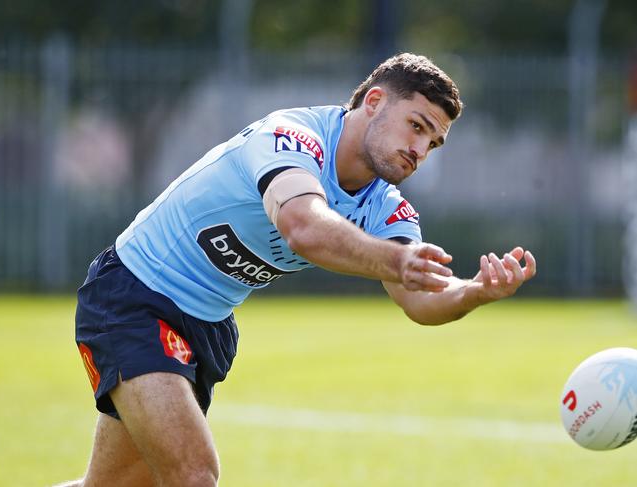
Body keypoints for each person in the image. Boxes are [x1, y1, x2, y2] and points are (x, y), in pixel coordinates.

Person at [58, 52, 536, 487]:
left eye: (433, 142)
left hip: (206, 326)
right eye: (416, 125)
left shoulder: (387, 208)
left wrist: (475, 292)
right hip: (135, 296)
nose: (420, 149)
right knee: (194, 475)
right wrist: (396, 260)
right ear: (373, 101)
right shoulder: (292, 137)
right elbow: (303, 227)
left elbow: (419, 300)